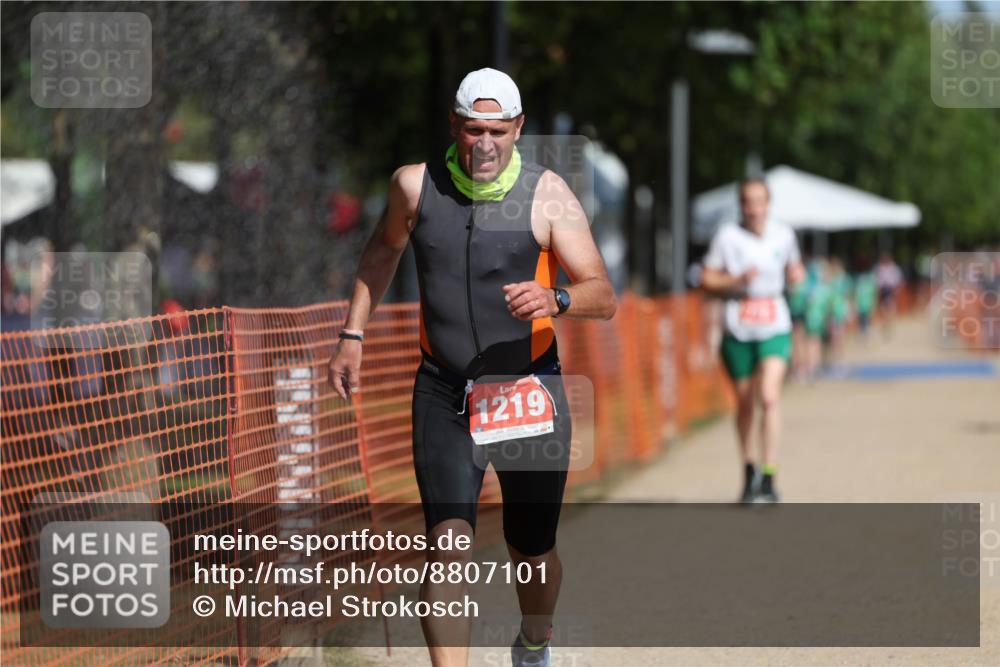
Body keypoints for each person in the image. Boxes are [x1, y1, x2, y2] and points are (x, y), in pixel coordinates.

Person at [327, 68, 616, 667]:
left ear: (518, 129)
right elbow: (382, 250)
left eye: (497, 132)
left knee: (531, 549)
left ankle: (535, 642)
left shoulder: (548, 195)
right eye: (472, 129)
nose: (484, 145)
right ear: (454, 126)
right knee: (448, 547)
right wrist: (353, 332)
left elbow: (602, 294)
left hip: (526, 390)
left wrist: (556, 299)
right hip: (444, 390)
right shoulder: (415, 186)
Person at [701, 178, 805, 503]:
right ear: (741, 205)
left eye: (759, 201)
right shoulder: (727, 237)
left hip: (774, 321)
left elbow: (795, 268)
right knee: (745, 402)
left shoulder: (784, 234)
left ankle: (770, 476)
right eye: (748, 202)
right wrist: (735, 279)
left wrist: (797, 276)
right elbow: (706, 277)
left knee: (770, 397)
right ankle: (749, 469)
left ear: (768, 203)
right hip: (738, 325)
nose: (754, 209)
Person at [875, 252, 903, 338]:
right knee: (884, 311)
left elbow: (897, 281)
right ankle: (886, 326)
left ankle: (888, 326)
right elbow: (877, 281)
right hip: (883, 291)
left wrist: (896, 290)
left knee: (890, 310)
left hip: (890, 291)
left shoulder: (894, 268)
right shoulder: (879, 268)